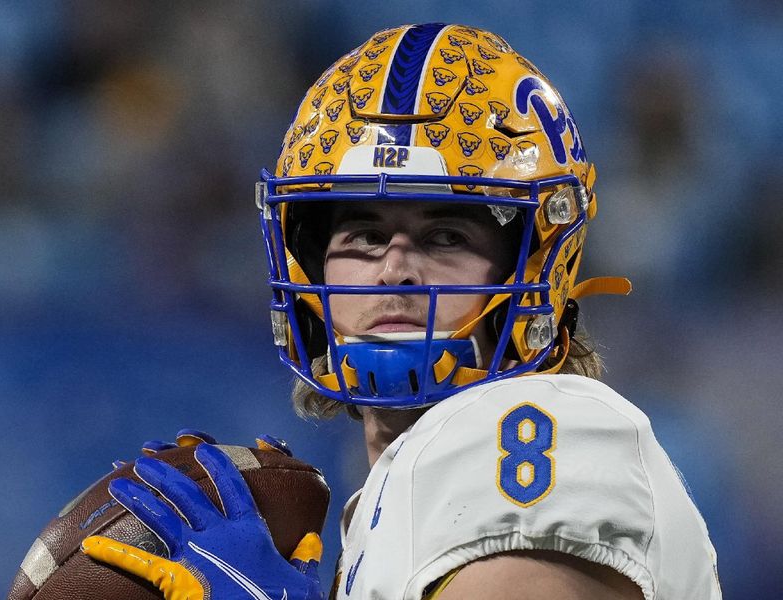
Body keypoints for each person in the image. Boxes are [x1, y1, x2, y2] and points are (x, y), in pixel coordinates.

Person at [82, 23, 721, 599]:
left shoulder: (538, 428)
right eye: (362, 236)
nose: (395, 269)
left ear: (534, 267)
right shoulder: (395, 486)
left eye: (446, 236)